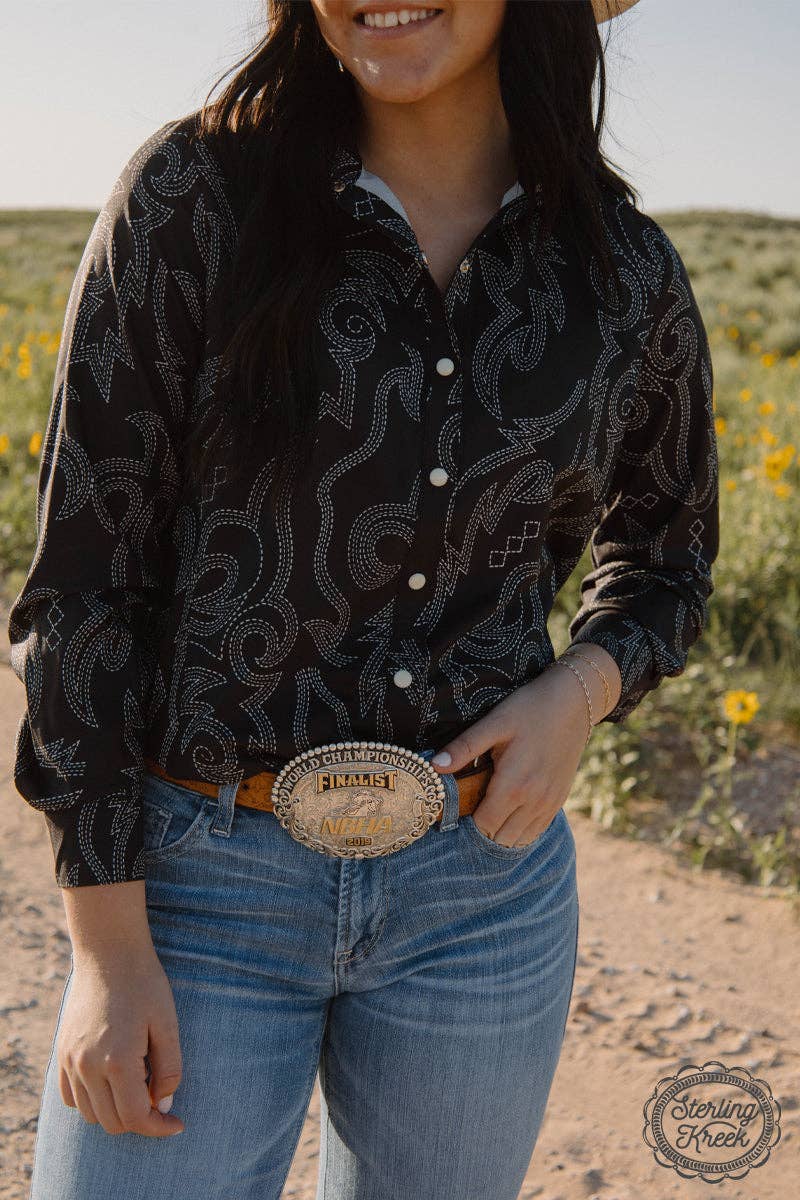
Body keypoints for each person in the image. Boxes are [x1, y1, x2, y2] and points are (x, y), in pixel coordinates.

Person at [9, 1, 719, 1197]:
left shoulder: (620, 269)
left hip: (479, 897)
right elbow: (86, 579)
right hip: (195, 886)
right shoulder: (195, 198)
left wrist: (580, 691)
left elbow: (668, 555)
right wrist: (106, 949)